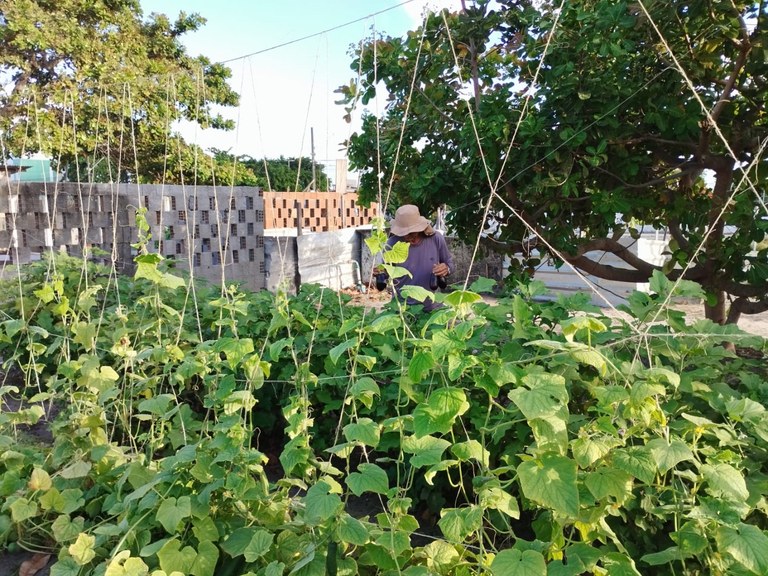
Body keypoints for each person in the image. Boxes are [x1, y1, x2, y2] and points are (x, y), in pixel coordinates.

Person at [376, 204, 453, 311]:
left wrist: (446, 269)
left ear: (420, 227)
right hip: (403, 308)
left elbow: (450, 264)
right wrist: (379, 274)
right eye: (404, 233)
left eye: (411, 232)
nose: (407, 236)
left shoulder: (436, 239)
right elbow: (386, 274)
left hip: (433, 306)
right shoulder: (391, 245)